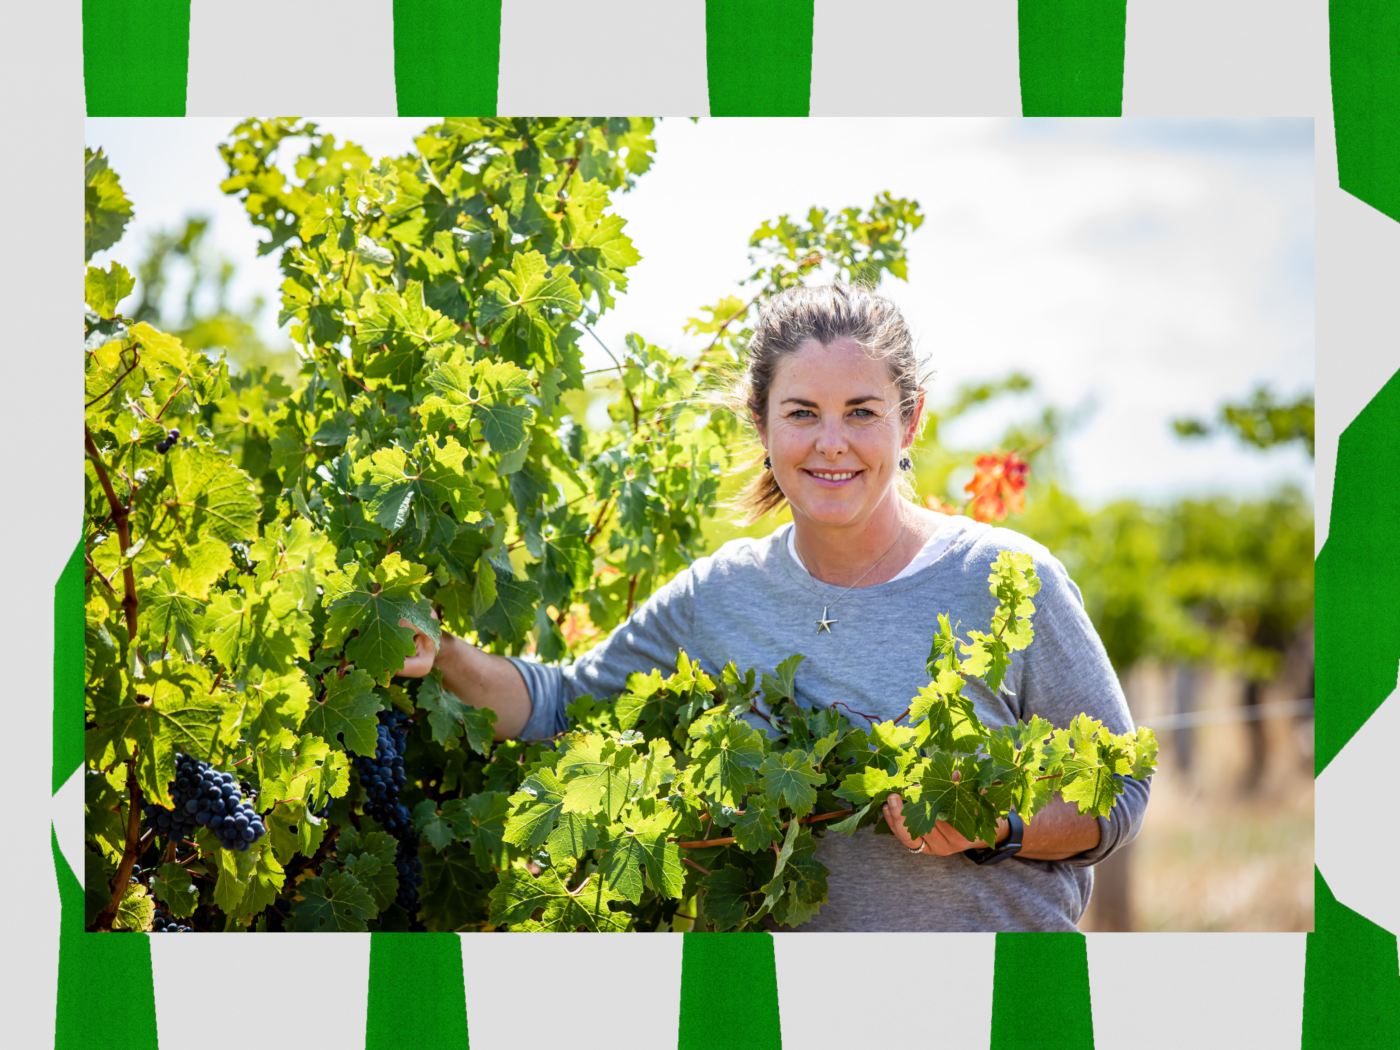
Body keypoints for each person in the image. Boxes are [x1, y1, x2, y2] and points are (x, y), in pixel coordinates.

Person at [396, 282, 1150, 932]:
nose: (832, 444)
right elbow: (560, 703)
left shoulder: (1006, 579)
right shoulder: (719, 597)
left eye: (861, 412)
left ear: (909, 421)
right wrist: (445, 654)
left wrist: (1002, 827)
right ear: (761, 424)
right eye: (802, 413)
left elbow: (1119, 786)